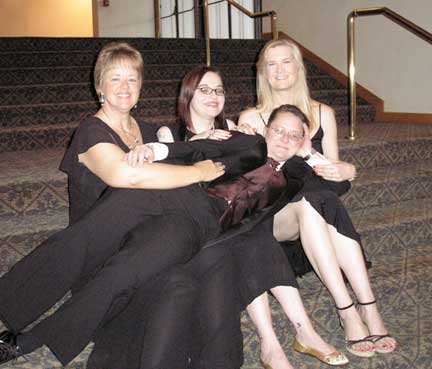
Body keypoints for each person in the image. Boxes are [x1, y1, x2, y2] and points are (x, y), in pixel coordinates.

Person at [0, 42, 267, 368]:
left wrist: (205, 143)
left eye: (132, 79)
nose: (125, 87)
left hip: (150, 244)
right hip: (99, 254)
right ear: (99, 86)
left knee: (176, 277)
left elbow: (180, 154)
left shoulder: (152, 131)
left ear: (141, 86)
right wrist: (196, 170)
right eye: (115, 79)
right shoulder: (90, 131)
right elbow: (127, 174)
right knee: (144, 199)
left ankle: (31, 338)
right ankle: (14, 303)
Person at [152, 65, 349, 368]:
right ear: (188, 94)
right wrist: (196, 142)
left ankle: (287, 339)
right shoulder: (170, 133)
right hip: (198, 219)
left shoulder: (233, 126)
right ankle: (285, 341)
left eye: (218, 90)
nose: (213, 96)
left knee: (254, 235)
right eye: (204, 89)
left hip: (238, 218)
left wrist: (308, 153)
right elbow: (168, 170)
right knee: (248, 239)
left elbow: (256, 168)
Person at [237, 38, 397, 359]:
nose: (280, 70)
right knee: (314, 198)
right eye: (272, 64)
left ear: (299, 68)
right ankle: (354, 309)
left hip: (315, 214)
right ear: (263, 73)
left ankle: (359, 309)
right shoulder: (252, 119)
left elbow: (334, 173)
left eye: (287, 62)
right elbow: (253, 186)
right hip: (275, 218)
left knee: (316, 199)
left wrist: (345, 168)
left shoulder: (323, 113)